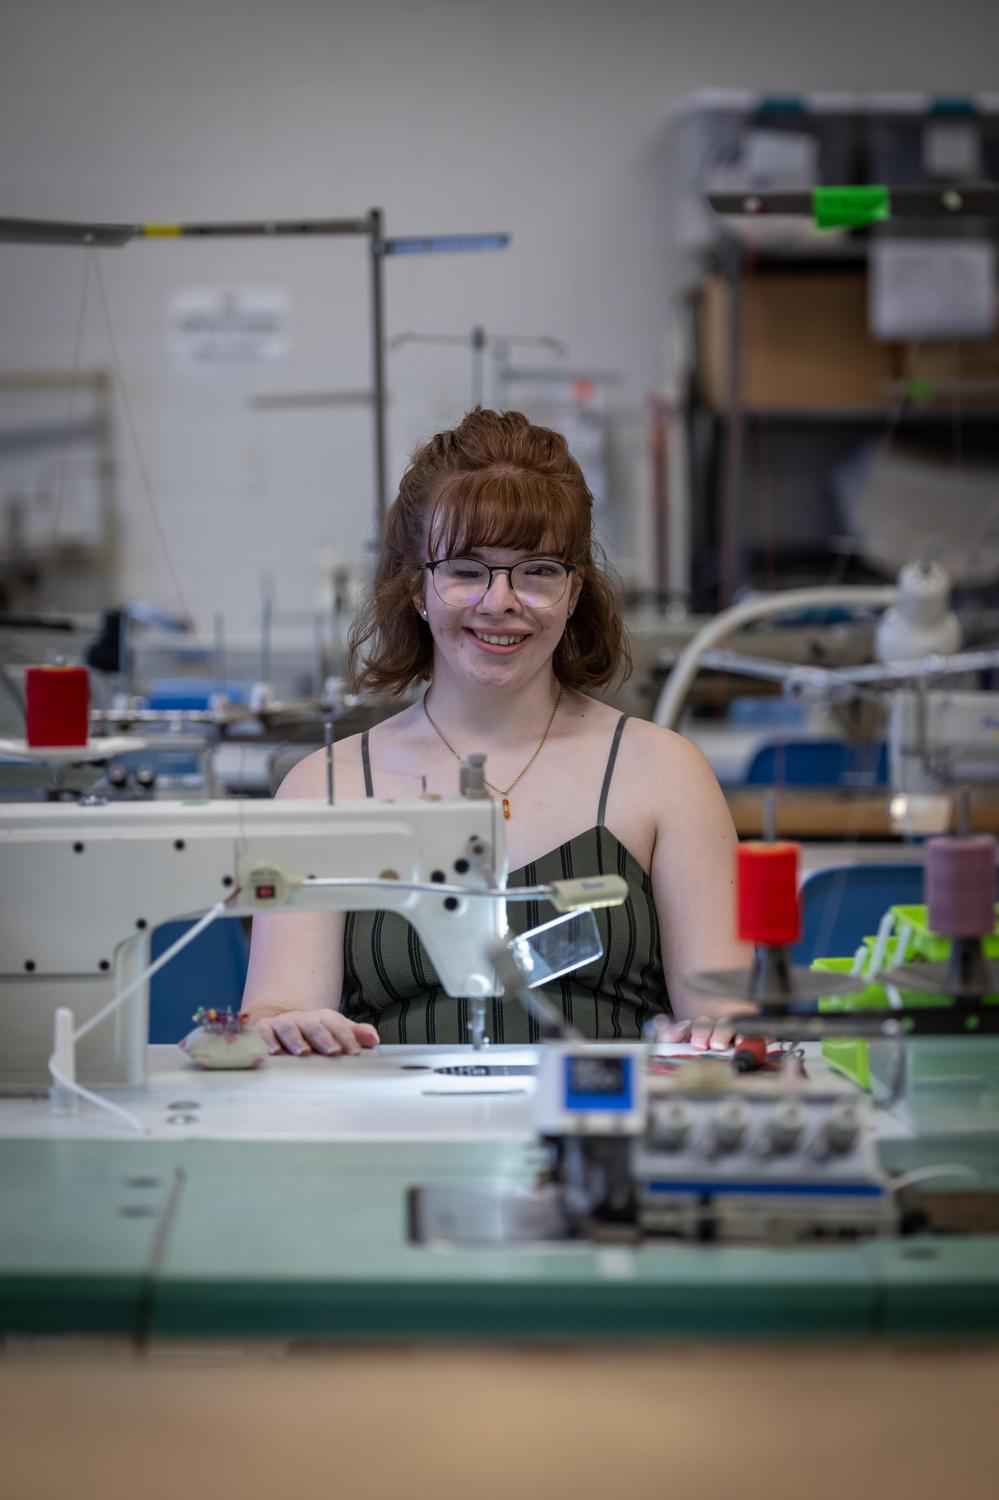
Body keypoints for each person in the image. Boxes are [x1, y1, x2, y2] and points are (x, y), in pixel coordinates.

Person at [242, 408, 750, 1055]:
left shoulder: (664, 775)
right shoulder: (325, 788)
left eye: (537, 570)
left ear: (573, 594)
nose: (500, 601)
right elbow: (279, 1008)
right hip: (393, 1139)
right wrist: (282, 1025)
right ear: (418, 590)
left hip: (603, 1135)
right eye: (465, 568)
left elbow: (722, 1015)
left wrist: (721, 1029)